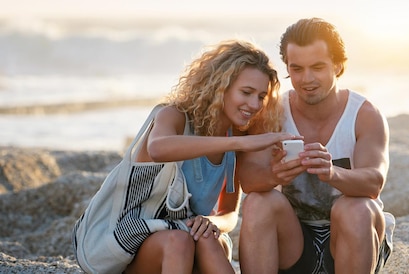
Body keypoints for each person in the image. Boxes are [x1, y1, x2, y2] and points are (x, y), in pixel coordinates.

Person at [74, 39, 295, 274]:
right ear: (220, 86)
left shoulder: (234, 141)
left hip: (185, 237)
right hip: (126, 243)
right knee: (179, 241)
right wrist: (241, 141)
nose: (254, 104)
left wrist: (211, 222)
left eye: (261, 96)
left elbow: (229, 215)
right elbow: (159, 148)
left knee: (208, 236)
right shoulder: (174, 117)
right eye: (246, 92)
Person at [238, 18, 395, 274]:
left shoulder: (364, 114)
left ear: (338, 65)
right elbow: (249, 181)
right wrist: (273, 174)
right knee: (258, 203)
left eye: (318, 67)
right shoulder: (273, 112)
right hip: (295, 241)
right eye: (297, 68)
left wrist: (333, 173)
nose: (306, 79)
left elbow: (373, 183)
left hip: (353, 237)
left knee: (355, 207)